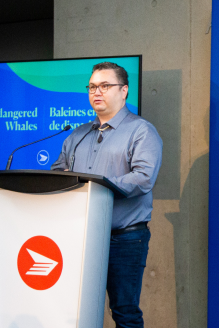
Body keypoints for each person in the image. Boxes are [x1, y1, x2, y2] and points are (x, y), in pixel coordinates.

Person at [52, 61, 162, 327]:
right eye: (92, 86)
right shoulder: (77, 134)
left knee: (124, 311)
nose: (96, 92)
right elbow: (57, 172)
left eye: (104, 85)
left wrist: (98, 185)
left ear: (123, 91)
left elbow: (143, 178)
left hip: (124, 238)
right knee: (75, 307)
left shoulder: (141, 131)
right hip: (79, 236)